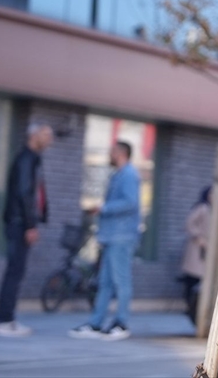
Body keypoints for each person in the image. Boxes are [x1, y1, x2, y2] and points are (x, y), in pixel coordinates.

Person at [69, 141, 140, 341]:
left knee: (121, 281)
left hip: (122, 236)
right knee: (105, 282)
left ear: (122, 153)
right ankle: (96, 323)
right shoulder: (118, 175)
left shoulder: (129, 175)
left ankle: (121, 323)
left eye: (113, 151)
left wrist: (104, 208)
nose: (110, 154)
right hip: (111, 236)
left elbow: (131, 202)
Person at [0, 121, 53, 337]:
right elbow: (25, 194)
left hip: (19, 222)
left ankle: (6, 318)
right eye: (46, 134)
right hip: (19, 223)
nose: (50, 139)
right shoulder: (27, 160)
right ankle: (5, 320)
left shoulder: (31, 159)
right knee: (15, 271)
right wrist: (30, 225)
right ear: (33, 136)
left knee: (15, 271)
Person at [180, 186, 212, 298]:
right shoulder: (202, 208)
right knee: (193, 277)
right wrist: (199, 236)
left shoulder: (213, 209)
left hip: (207, 247)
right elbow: (189, 223)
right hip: (198, 247)